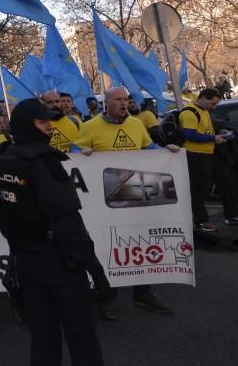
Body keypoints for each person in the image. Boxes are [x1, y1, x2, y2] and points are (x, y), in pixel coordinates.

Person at [0, 98, 111, 366]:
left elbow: (1, 212)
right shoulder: (44, 162)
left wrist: (21, 243)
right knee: (81, 336)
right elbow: (68, 222)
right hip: (58, 262)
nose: (49, 126)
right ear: (26, 125)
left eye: (50, 120)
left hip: (27, 261)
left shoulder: (2, 157)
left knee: (43, 337)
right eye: (42, 121)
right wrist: (96, 271)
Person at [75, 87, 178, 319]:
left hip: (137, 197)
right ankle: (106, 297)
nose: (124, 103)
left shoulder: (135, 125)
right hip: (105, 202)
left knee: (140, 245)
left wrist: (166, 152)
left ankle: (143, 293)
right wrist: (82, 152)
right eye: (118, 100)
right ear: (107, 103)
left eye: (126, 99)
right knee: (110, 249)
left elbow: (147, 148)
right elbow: (74, 153)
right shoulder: (90, 127)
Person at [179, 88, 238, 233]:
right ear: (203, 98)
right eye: (213, 104)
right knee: (199, 190)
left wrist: (219, 133)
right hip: (196, 155)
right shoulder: (189, 113)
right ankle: (201, 221)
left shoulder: (204, 111)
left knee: (228, 183)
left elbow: (205, 130)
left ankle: (232, 215)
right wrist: (213, 138)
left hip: (210, 153)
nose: (214, 107)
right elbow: (190, 135)